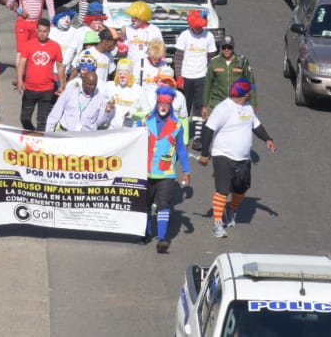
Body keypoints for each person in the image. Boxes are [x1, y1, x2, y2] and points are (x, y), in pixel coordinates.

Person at [197, 79, 275, 238]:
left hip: (243, 158)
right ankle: (218, 224)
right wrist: (204, 154)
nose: (251, 93)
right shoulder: (223, 108)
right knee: (222, 190)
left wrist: (267, 139)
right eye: (249, 91)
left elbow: (256, 125)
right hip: (223, 155)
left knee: (241, 188)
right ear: (244, 94)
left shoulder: (248, 108)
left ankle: (231, 210)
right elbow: (208, 130)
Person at [134, 84, 191, 253]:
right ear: (157, 104)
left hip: (166, 173)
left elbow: (181, 149)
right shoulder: (145, 121)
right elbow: (132, 140)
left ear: (170, 105)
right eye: (161, 103)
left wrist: (187, 170)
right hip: (145, 172)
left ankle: (162, 239)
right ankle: (146, 233)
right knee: (144, 205)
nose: (163, 107)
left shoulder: (177, 125)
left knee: (163, 205)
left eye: (166, 104)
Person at [175, 10, 217, 146]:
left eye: (200, 27)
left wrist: (211, 78)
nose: (198, 29)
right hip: (186, 77)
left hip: (202, 77)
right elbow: (178, 58)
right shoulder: (184, 35)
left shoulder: (209, 36)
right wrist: (179, 76)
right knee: (184, 107)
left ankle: (198, 137)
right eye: (196, 27)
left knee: (200, 107)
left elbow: (212, 59)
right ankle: (183, 134)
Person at [16, 17, 63, 130]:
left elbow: (60, 66)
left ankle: (39, 138)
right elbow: (22, 63)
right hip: (30, 88)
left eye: (45, 31)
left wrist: (62, 85)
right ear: (36, 30)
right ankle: (31, 132)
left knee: (42, 121)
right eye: (40, 31)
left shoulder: (55, 46)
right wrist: (20, 80)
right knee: (24, 118)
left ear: (49, 31)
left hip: (47, 89)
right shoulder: (29, 44)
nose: (42, 34)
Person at [6, 0, 55, 66]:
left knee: (34, 49)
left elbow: (50, 4)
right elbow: (9, 3)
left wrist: (52, 21)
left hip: (37, 24)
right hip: (22, 23)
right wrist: (19, 11)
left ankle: (31, 72)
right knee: (21, 51)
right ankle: (20, 73)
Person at [47, 60, 115, 131]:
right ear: (83, 82)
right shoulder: (69, 93)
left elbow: (100, 123)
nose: (92, 87)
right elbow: (54, 115)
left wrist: (106, 111)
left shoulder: (100, 98)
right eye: (89, 84)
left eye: (94, 85)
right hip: (65, 132)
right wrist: (49, 133)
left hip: (86, 135)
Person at [202, 36, 255, 118]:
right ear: (221, 48)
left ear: (233, 47)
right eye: (224, 47)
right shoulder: (214, 62)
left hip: (237, 102)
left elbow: (251, 83)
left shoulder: (242, 61)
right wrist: (205, 105)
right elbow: (208, 84)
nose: (226, 50)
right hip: (218, 102)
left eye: (229, 47)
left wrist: (253, 103)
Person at [123, 0, 164, 73]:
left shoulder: (154, 30)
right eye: (131, 17)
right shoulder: (128, 29)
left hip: (149, 69)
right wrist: (119, 39)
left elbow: (160, 51)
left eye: (135, 18)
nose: (132, 20)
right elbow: (123, 49)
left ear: (143, 17)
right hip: (132, 68)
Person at [107, 58, 143, 127]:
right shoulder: (109, 86)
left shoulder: (139, 89)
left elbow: (146, 111)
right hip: (112, 127)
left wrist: (133, 113)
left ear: (131, 74)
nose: (122, 76)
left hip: (130, 128)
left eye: (125, 73)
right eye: (120, 73)